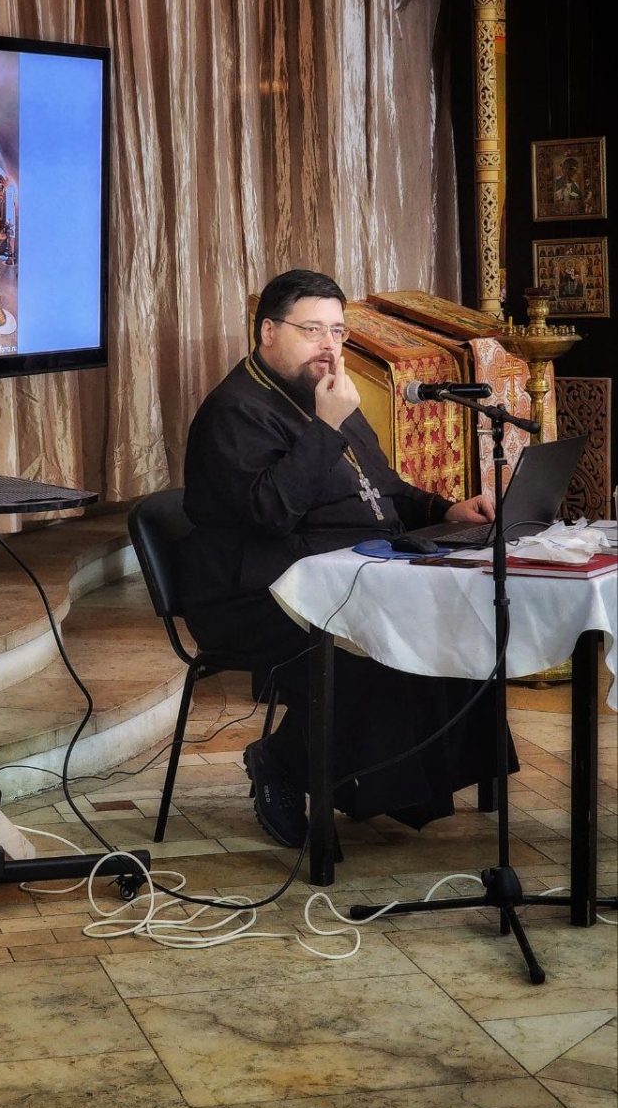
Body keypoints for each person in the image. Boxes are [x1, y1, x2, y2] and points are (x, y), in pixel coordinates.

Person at [179, 269, 508, 847]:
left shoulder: (327, 394)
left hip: (345, 577)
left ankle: (390, 786)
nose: (329, 346)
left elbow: (383, 488)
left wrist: (446, 508)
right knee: (377, 644)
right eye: (312, 330)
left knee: (455, 617)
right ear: (268, 332)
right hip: (255, 594)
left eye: (338, 331)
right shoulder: (233, 410)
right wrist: (325, 427)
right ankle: (281, 763)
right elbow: (269, 514)